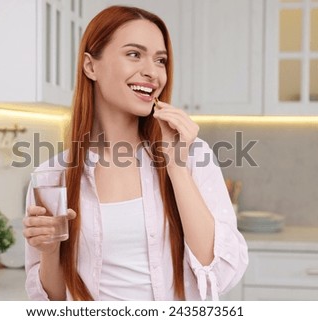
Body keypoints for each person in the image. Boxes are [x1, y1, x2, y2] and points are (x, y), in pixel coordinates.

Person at [23, 5, 248, 301]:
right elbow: (52, 302)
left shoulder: (193, 157)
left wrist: (176, 165)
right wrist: (50, 251)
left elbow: (217, 273)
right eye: (134, 54)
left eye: (160, 60)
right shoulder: (52, 177)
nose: (152, 72)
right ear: (91, 66)